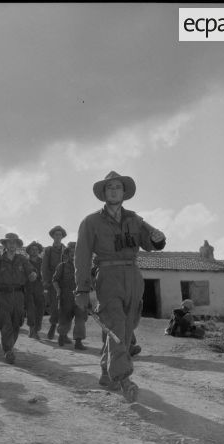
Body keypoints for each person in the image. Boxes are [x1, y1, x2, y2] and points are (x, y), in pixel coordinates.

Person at [75, 170, 166, 402]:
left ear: (124, 192)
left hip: (133, 276)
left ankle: (107, 371)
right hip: (107, 275)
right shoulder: (91, 221)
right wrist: (82, 289)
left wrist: (157, 238)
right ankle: (124, 378)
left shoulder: (135, 220)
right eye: (109, 188)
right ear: (103, 193)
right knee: (115, 324)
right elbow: (82, 257)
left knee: (126, 327)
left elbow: (151, 244)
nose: (114, 191)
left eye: (117, 187)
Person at [0, 232, 37, 364]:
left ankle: (10, 347)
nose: (12, 244)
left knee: (16, 323)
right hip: (2, 295)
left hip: (19, 296)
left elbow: (31, 272)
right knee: (6, 323)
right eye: (9, 242)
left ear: (17, 245)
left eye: (14, 242)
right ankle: (8, 350)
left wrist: (32, 275)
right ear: (6, 244)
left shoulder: (22, 259)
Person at [53, 242, 88, 350]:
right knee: (65, 318)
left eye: (76, 252)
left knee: (80, 319)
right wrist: (58, 291)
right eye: (71, 252)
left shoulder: (84, 267)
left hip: (80, 296)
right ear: (67, 254)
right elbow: (55, 280)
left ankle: (78, 341)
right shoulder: (62, 266)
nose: (73, 254)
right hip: (66, 296)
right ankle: (62, 336)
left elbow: (89, 281)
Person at [41, 225, 67, 340]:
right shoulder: (48, 250)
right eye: (56, 235)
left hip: (64, 281)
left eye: (60, 235)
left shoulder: (65, 250)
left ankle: (63, 333)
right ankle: (52, 325)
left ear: (62, 237)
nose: (58, 237)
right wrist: (46, 280)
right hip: (52, 281)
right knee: (54, 306)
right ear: (53, 237)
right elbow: (44, 266)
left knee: (66, 306)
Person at [24, 241, 45, 340]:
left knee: (40, 310)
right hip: (28, 288)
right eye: (32, 249)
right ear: (28, 251)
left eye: (36, 249)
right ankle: (32, 330)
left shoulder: (43, 262)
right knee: (31, 310)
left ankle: (36, 329)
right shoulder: (25, 262)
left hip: (40, 288)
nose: (34, 251)